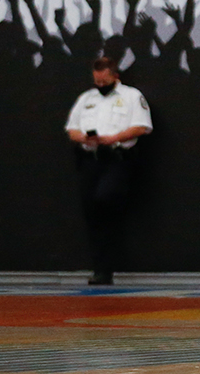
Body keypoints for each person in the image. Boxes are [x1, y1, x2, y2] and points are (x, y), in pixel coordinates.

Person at [64, 56, 153, 286]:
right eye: (97, 82)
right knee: (91, 211)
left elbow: (141, 126)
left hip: (117, 158)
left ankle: (108, 256)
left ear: (115, 76)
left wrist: (112, 138)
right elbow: (72, 129)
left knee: (105, 199)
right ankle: (101, 270)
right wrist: (85, 138)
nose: (101, 86)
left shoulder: (131, 96)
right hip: (90, 159)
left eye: (105, 81)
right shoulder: (86, 99)